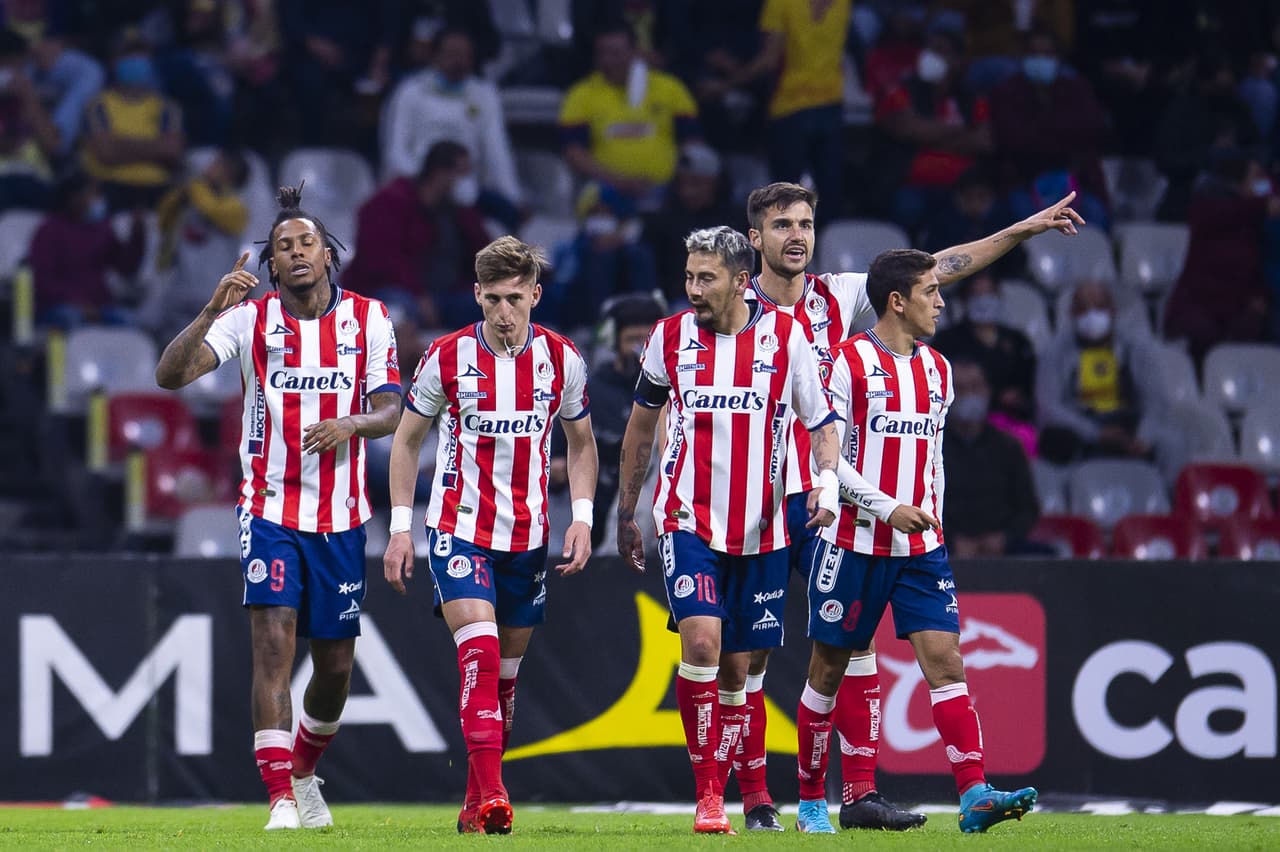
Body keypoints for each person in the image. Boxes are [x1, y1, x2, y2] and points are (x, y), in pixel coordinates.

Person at [733, 180, 1081, 831]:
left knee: (852, 648)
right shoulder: (732, 309)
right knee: (752, 652)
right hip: (754, 491)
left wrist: (1022, 230)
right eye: (782, 225)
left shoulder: (837, 296)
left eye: (806, 223)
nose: (797, 236)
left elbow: (938, 266)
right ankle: (757, 799)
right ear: (756, 238)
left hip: (827, 491)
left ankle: (858, 795)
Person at [154, 185, 403, 831]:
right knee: (272, 645)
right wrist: (211, 310)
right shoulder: (251, 319)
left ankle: (303, 769)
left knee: (336, 667)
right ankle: (280, 800)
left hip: (344, 516)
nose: (295, 254)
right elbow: (171, 376)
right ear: (271, 266)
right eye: (283, 247)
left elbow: (392, 410)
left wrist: (353, 422)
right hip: (269, 507)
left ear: (328, 256)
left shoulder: (371, 319)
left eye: (306, 244)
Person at [794, 248, 1038, 834]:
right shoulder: (847, 364)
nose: (941, 301)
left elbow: (931, 460)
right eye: (931, 291)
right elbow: (826, 459)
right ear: (897, 301)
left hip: (921, 551)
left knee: (947, 661)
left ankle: (974, 793)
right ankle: (808, 801)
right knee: (827, 671)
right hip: (853, 544)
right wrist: (887, 507)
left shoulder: (939, 369)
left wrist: (932, 515)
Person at [615, 225, 845, 834]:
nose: (693, 289)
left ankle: (756, 795)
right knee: (702, 647)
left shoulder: (787, 337)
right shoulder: (668, 339)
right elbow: (640, 431)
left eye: (706, 278)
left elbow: (822, 420)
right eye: (688, 276)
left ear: (742, 281)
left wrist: (825, 482)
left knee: (741, 670)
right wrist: (626, 511)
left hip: (765, 529)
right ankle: (709, 796)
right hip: (686, 518)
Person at [382, 236, 599, 836]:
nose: (504, 312)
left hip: (528, 536)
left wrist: (581, 515)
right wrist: (401, 529)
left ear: (535, 294)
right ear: (477, 295)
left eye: (515, 299)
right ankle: (498, 794)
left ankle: (475, 803)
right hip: (458, 529)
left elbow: (581, 444)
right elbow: (406, 440)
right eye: (492, 299)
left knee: (504, 680)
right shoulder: (446, 358)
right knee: (476, 651)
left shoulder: (563, 360)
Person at [380, 28, 522, 230]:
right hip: (417, 185)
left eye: (465, 55)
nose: (459, 61)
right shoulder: (410, 92)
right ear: (435, 55)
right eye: (452, 54)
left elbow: (497, 151)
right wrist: (426, 181)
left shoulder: (484, 95)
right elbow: (396, 151)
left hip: (466, 187)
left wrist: (512, 196)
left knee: (505, 224)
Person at [342, 140, 492, 329]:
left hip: (446, 296)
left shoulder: (456, 212)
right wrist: (419, 295)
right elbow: (385, 261)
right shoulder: (389, 203)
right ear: (440, 173)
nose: (465, 182)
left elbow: (483, 253)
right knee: (399, 308)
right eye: (461, 174)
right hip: (396, 291)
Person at [558, 23, 700, 205]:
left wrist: (678, 181)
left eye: (616, 53)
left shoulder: (670, 88)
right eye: (603, 53)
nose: (609, 60)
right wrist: (619, 181)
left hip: (665, 190)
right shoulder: (580, 94)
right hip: (606, 191)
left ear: (635, 52)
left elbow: (692, 142)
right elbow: (573, 152)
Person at [1036, 279, 1164, 465]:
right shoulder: (1055, 352)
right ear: (1072, 313)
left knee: (1170, 441)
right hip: (1079, 427)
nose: (1092, 315)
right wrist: (1095, 433)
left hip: (1127, 423)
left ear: (1113, 311)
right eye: (1083, 308)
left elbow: (1155, 400)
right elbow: (1048, 407)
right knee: (1055, 441)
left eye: (1100, 307)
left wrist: (1144, 437)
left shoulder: (1135, 349)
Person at [941, 359, 1040, 557]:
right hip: (945, 549)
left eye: (975, 387)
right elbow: (918, 506)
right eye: (960, 388)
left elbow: (1028, 509)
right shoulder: (931, 448)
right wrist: (950, 541)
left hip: (1003, 551)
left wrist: (1004, 538)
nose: (969, 395)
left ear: (987, 391)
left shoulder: (1009, 447)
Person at [81, 29, 185, 210]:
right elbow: (106, 153)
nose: (136, 60)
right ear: (114, 62)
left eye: (141, 54)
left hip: (158, 191)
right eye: (128, 54)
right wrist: (156, 146)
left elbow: (173, 151)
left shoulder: (167, 108)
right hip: (112, 189)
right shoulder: (97, 106)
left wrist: (119, 142)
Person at [29, 169, 145, 327]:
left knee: (130, 321)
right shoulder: (49, 231)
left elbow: (126, 268)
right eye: (92, 194)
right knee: (71, 318)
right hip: (60, 307)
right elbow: (43, 282)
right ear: (73, 198)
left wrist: (137, 235)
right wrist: (79, 304)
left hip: (100, 307)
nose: (98, 199)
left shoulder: (102, 228)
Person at [545, 181, 657, 331]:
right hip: (573, 319)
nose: (600, 219)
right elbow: (560, 283)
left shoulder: (634, 253)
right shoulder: (568, 246)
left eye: (606, 213)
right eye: (595, 213)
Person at [642, 142, 737, 306]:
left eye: (696, 184)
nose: (687, 191)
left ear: (716, 183)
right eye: (682, 184)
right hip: (677, 304)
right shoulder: (662, 219)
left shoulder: (736, 220)